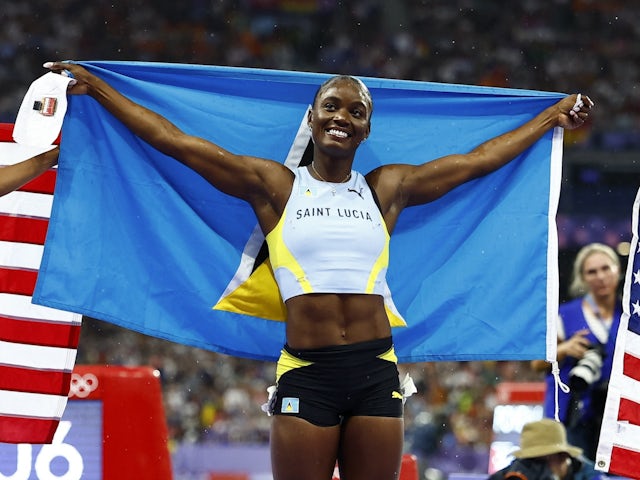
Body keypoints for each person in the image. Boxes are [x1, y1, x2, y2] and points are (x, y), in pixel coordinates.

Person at [44, 60, 593, 480]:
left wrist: (548, 117)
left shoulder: (387, 188)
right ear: (311, 117)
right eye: (332, 106)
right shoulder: (276, 187)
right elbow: (175, 143)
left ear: (366, 129)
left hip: (377, 370)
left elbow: (478, 162)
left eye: (356, 111)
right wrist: (99, 89)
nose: (342, 117)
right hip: (308, 371)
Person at [531, 243, 622, 462]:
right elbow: (536, 364)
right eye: (592, 271)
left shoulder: (630, 316)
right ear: (582, 277)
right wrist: (563, 349)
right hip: (571, 415)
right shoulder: (564, 315)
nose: (600, 276)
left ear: (617, 270)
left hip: (616, 417)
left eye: (605, 268)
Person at [488, 418, 602, 480]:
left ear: (563, 456)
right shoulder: (517, 472)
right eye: (530, 461)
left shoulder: (588, 475)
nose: (535, 468)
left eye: (541, 461)